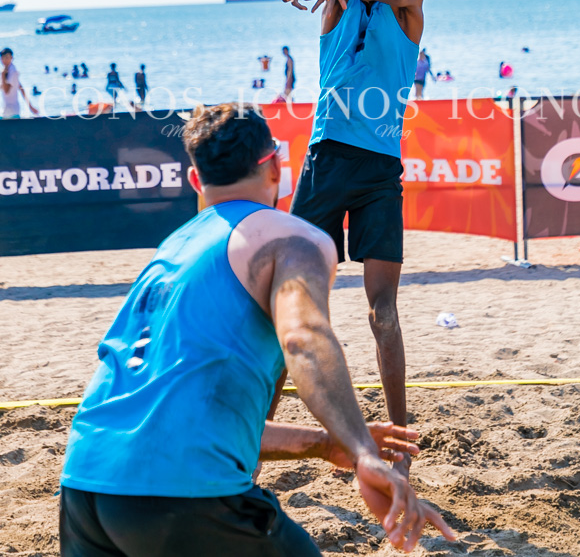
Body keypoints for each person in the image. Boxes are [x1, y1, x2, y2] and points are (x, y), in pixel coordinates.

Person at [58, 104, 454, 556]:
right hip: (180, 491)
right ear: (276, 166)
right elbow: (303, 338)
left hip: (85, 487)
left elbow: (185, 418)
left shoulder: (172, 250)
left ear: (196, 183)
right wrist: (363, 450)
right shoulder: (291, 236)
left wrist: (327, 445)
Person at [280, 0, 425, 474]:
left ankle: (400, 447)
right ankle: (250, 448)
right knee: (290, 304)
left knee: (382, 313)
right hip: (326, 160)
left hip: (380, 170)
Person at [1, 48, 38, 118]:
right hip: (5, 110)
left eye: (7, 58)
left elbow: (6, 91)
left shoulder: (13, 71)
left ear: (11, 58)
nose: (4, 60)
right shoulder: (5, 70)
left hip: (12, 112)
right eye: (3, 58)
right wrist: (31, 107)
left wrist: (3, 76)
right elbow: (21, 88)